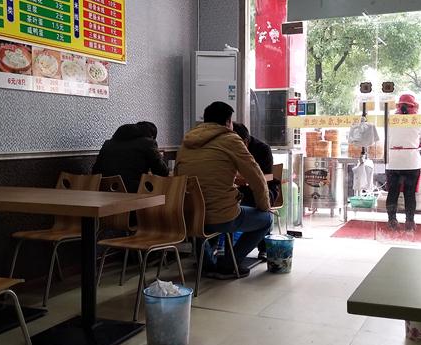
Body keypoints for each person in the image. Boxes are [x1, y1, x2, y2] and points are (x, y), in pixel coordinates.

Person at [176, 102, 272, 278]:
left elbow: (177, 175)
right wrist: (264, 207)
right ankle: (229, 264)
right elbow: (256, 177)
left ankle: (206, 265)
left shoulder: (187, 141)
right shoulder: (231, 139)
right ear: (228, 122)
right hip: (221, 217)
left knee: (201, 222)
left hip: (190, 216)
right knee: (266, 220)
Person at [232, 123, 280, 259]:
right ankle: (223, 249)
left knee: (259, 201)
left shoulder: (262, 149)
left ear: (245, 141)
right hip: (240, 189)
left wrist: (247, 178)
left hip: (266, 187)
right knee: (221, 203)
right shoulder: (229, 150)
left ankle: (263, 247)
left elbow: (267, 177)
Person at [386, 94, 421, 231]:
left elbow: (385, 139)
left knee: (393, 193)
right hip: (411, 162)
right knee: (409, 194)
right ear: (414, 106)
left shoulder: (390, 119)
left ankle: (392, 221)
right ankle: (410, 222)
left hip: (393, 161)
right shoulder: (418, 120)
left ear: (398, 105)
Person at [92, 121, 168, 193]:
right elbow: (162, 172)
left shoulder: (108, 144)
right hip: (133, 193)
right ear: (151, 136)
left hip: (104, 192)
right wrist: (158, 155)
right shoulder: (148, 143)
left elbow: (95, 171)